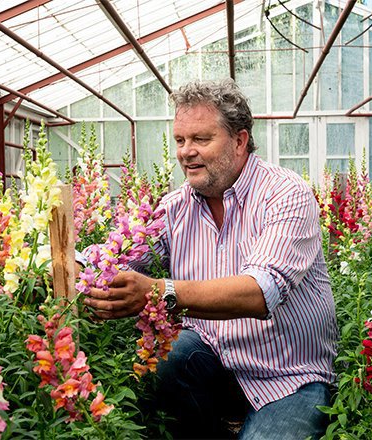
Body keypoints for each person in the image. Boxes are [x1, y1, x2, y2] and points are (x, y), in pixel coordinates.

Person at [83, 79, 338, 439]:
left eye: (201, 139)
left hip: (288, 375)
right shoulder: (174, 207)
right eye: (180, 140)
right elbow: (117, 257)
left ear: (239, 140)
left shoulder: (286, 194)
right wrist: (76, 268)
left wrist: (158, 291)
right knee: (168, 357)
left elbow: (260, 291)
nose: (186, 152)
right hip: (213, 360)